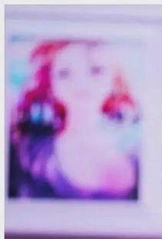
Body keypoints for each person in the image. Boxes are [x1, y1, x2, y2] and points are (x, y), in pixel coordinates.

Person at [8, 39, 141, 199]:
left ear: (115, 80)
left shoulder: (139, 147)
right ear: (51, 84)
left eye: (96, 70)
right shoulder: (31, 152)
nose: (81, 83)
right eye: (65, 73)